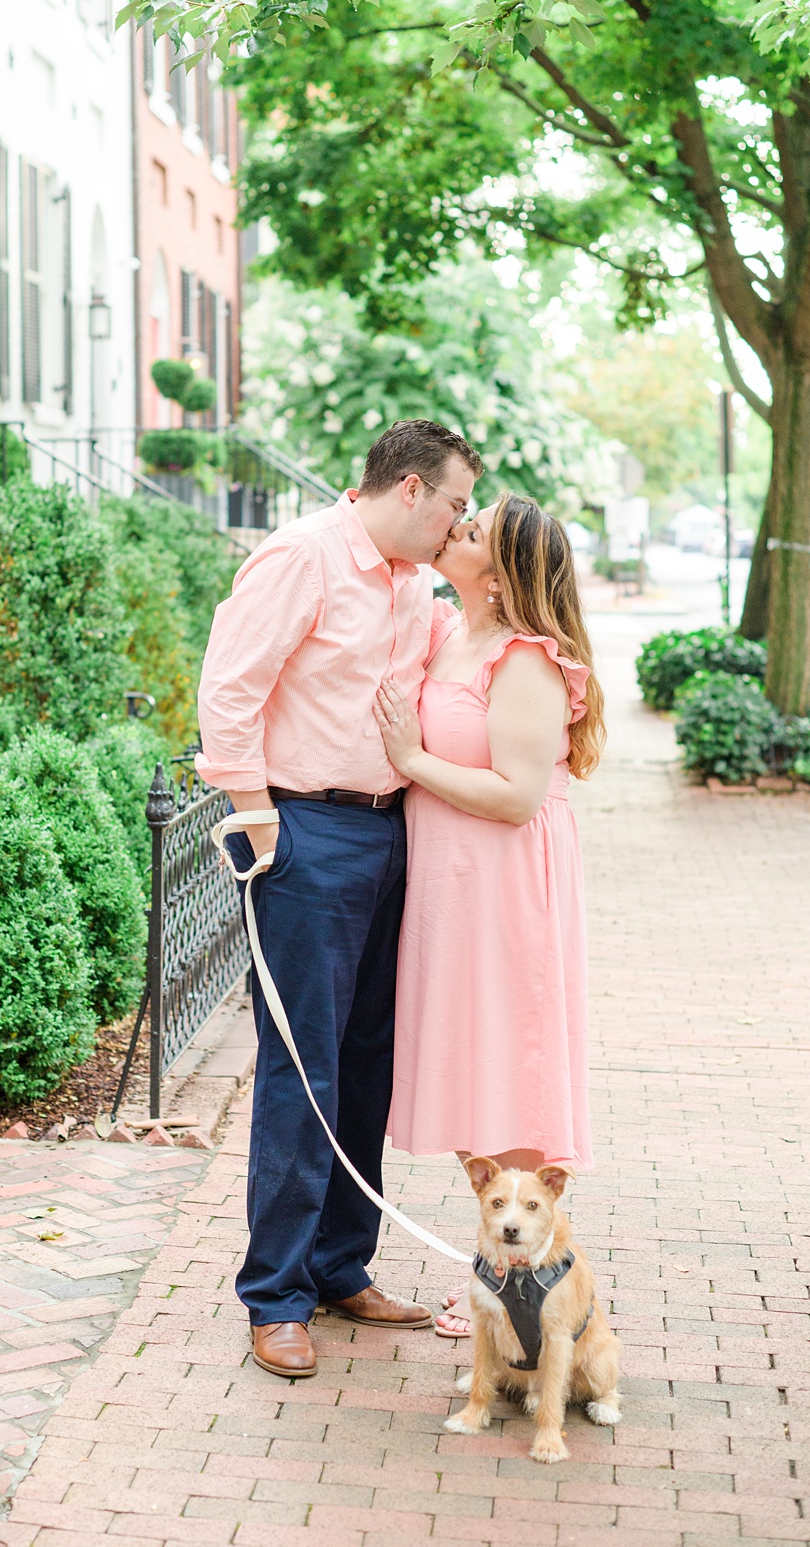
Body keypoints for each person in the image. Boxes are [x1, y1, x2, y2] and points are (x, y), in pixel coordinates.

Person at [197, 419, 480, 1380]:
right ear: (408, 489)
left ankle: (338, 1265)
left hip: (391, 831)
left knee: (366, 1060)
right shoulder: (302, 557)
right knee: (301, 1064)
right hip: (305, 832)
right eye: (453, 504)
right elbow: (229, 688)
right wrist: (254, 813)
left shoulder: (418, 585)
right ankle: (274, 1296)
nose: (458, 521)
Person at [376, 494, 603, 1340]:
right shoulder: (447, 629)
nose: (456, 531)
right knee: (479, 1069)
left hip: (504, 885)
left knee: (512, 1068)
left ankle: (517, 1283)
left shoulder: (526, 661)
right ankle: (499, 1266)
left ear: (503, 578)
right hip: (452, 885)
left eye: (473, 532)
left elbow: (517, 797)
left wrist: (412, 760)